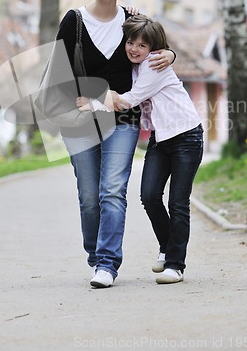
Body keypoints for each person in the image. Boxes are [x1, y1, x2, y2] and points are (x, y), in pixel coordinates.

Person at [55, 0, 175, 288]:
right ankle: (96, 257)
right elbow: (58, 73)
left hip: (124, 119)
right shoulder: (74, 21)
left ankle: (107, 263)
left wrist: (172, 54)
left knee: (112, 191)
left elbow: (157, 53)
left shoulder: (134, 21)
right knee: (89, 195)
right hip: (79, 120)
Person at [78, 14, 204, 284]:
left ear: (154, 50)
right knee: (148, 195)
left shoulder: (153, 65)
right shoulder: (134, 64)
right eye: (130, 42)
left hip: (186, 136)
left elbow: (130, 100)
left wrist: (95, 101)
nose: (134, 49)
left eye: (142, 45)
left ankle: (175, 264)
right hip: (160, 139)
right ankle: (167, 247)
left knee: (178, 202)